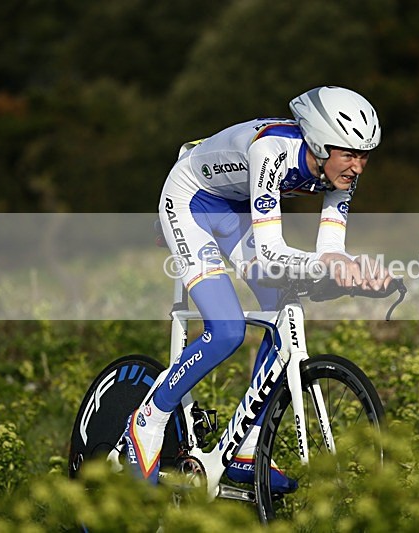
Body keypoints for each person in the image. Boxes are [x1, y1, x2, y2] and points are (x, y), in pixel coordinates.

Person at [123, 86, 391, 491]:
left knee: (282, 311)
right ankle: (149, 418)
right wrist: (330, 266)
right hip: (190, 201)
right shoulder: (272, 152)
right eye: (350, 154)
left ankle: (246, 448)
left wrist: (354, 269)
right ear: (319, 143)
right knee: (227, 329)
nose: (358, 167)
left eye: (364, 155)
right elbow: (269, 253)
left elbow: (330, 249)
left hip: (234, 210)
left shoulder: (339, 174)